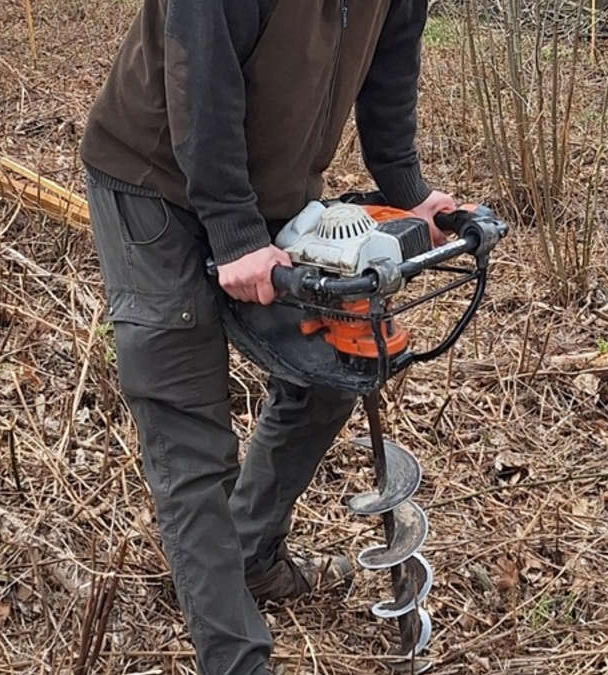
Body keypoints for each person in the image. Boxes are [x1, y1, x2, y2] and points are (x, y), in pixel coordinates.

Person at [77, 2, 453, 674]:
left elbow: (392, 57)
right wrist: (233, 231)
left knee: (338, 361)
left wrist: (407, 190)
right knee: (189, 426)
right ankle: (236, 659)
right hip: (151, 182)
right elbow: (199, 62)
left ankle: (250, 552)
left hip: (271, 188)